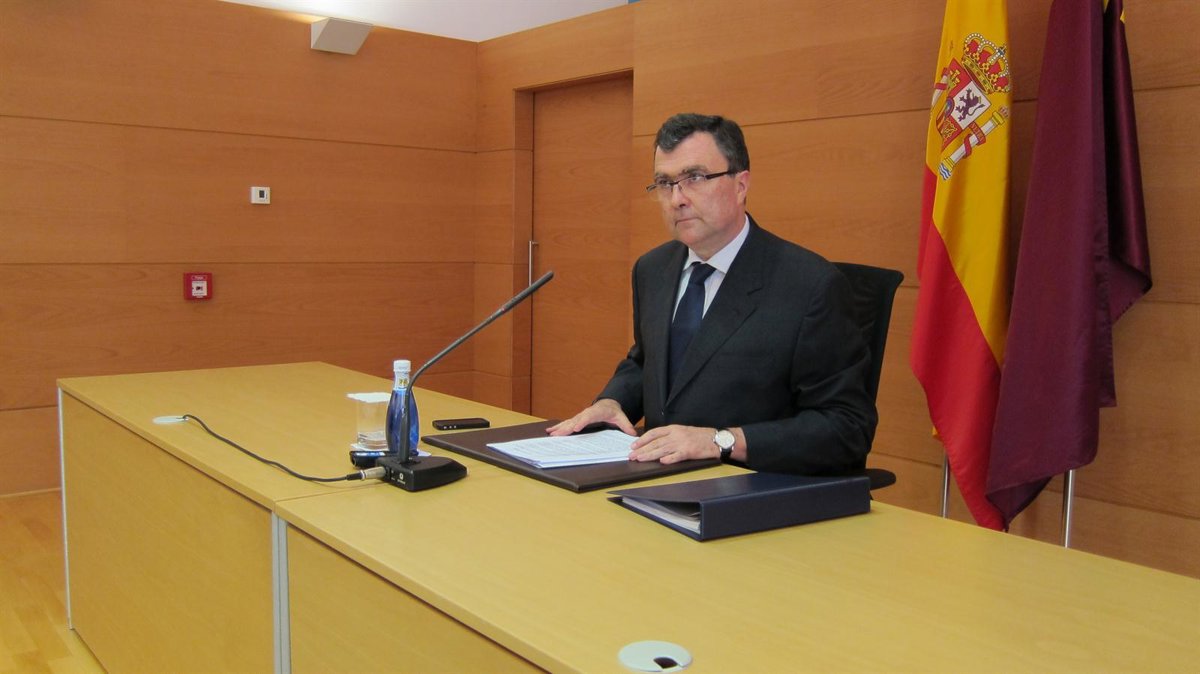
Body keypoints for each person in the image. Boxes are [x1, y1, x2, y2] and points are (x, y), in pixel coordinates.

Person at [547, 113, 877, 475]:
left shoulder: (809, 285)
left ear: (740, 185)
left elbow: (847, 427)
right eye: (665, 183)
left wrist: (722, 441)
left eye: (695, 178)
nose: (677, 199)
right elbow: (646, 362)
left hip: (754, 488)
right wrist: (613, 401)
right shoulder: (652, 269)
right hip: (655, 480)